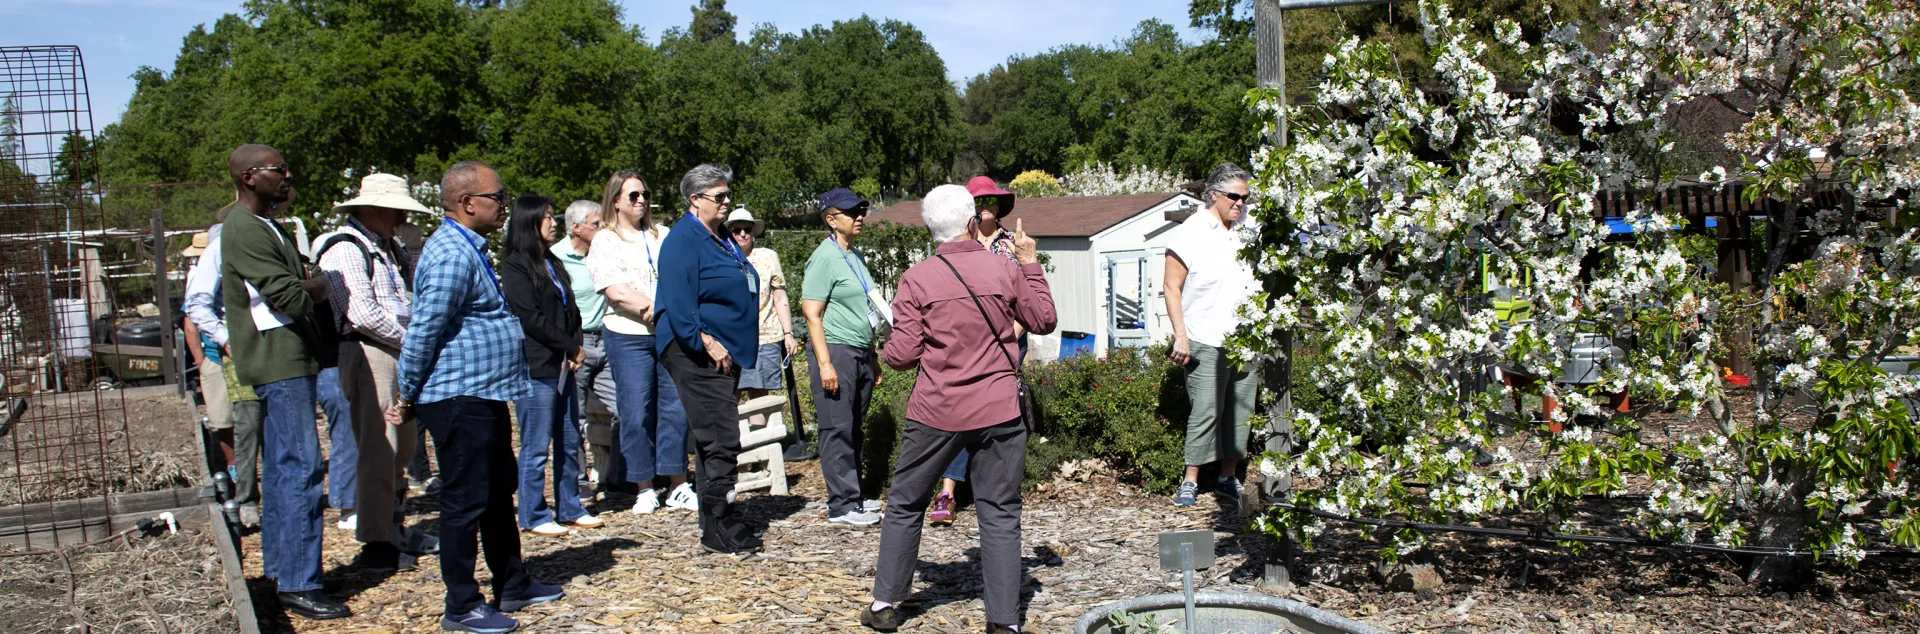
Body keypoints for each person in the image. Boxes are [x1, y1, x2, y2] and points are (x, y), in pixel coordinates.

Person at [862, 184, 1055, 633]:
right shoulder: (1005, 269)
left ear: (930, 230)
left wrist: (888, 349)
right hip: (999, 409)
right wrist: (1029, 262)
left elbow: (904, 355)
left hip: (937, 410)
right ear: (972, 222)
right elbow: (1043, 320)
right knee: (1000, 511)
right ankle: (1004, 623)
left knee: (907, 503)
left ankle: (886, 603)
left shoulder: (916, 279)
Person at [395, 161, 562, 634]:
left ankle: (512, 582)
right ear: (469, 203)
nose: (505, 206)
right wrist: (407, 393)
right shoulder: (450, 253)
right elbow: (424, 330)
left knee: (495, 492)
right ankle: (461, 604)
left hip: (482, 393)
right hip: (456, 397)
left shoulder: (469, 248)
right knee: (465, 501)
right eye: (498, 198)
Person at [217, 144, 349, 620]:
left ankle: (281, 567)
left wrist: (313, 281)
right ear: (250, 178)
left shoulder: (265, 225)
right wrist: (321, 284)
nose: (287, 176)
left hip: (289, 360)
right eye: (278, 170)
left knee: (280, 469)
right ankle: (299, 581)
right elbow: (294, 295)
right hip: (280, 362)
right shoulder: (244, 229)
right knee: (301, 469)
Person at [316, 173, 440, 572]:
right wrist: (412, 341)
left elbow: (402, 297)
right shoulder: (346, 249)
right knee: (378, 446)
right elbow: (362, 313)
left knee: (400, 445)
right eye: (396, 210)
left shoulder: (387, 247)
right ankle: (375, 541)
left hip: (393, 349)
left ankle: (393, 526)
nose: (402, 217)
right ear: (374, 208)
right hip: (371, 351)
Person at [655, 163, 763, 555]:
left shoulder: (717, 236)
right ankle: (720, 523)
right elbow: (679, 300)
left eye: (727, 194)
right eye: (719, 196)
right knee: (721, 438)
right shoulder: (682, 239)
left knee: (709, 438)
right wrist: (704, 340)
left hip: (722, 351)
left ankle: (712, 522)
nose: (726, 201)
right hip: (696, 352)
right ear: (695, 200)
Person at [586, 170, 691, 514]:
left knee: (674, 408)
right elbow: (615, 291)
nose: (642, 200)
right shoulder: (605, 240)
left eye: (645, 193)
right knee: (635, 411)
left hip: (667, 334)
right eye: (633, 195)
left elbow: (684, 274)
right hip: (628, 335)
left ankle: (677, 483)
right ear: (615, 200)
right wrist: (659, 310)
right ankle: (644, 486)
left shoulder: (663, 234)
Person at [500, 195, 600, 537]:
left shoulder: (553, 261)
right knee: (537, 442)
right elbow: (530, 316)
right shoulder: (515, 265)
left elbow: (571, 309)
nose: (553, 222)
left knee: (569, 437)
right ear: (529, 223)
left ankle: (569, 505)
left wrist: (575, 347)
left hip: (564, 365)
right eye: (546, 217)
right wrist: (569, 345)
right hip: (536, 366)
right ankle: (533, 513)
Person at [1164, 162, 1262, 508]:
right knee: (1205, 408)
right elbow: (1171, 286)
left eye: (1245, 198)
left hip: (1247, 338)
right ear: (1214, 195)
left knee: (1241, 410)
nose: (1240, 204)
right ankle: (1191, 479)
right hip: (1204, 333)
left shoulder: (1250, 227)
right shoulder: (1192, 229)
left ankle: (1227, 476)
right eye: (1234, 197)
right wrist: (1181, 335)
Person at [927, 176, 1022, 528]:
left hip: (1007, 340)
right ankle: (948, 490)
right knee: (962, 414)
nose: (985, 207)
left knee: (995, 414)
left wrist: (1007, 336)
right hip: (966, 343)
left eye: (991, 201)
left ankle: (994, 493)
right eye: (978, 201)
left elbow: (1025, 301)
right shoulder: (950, 244)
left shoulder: (1011, 244)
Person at [803, 187, 885, 526]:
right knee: (836, 427)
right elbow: (811, 313)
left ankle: (854, 495)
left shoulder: (855, 255)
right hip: (835, 350)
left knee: (853, 426)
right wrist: (825, 363)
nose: (860, 217)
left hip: (860, 351)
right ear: (831, 219)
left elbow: (866, 305)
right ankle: (842, 505)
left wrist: (873, 356)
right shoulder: (824, 257)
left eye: (861, 211)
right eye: (852, 212)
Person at [184, 214, 266, 528]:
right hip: (223, 359)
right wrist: (206, 359)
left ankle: (250, 488)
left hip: (250, 353)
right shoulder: (204, 271)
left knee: (251, 425)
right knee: (231, 425)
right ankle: (239, 484)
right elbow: (192, 320)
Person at [552, 200, 613, 494]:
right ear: (575, 227)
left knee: (626, 408)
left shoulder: (605, 253)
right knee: (571, 417)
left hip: (609, 338)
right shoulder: (553, 259)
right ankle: (577, 482)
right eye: (596, 224)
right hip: (575, 343)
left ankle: (621, 476)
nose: (602, 229)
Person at [727, 207, 797, 426]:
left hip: (765, 336)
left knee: (759, 396)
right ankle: (735, 452)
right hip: (730, 339)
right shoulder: (720, 256)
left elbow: (779, 295)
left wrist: (788, 333)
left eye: (747, 229)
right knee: (730, 395)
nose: (742, 235)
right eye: (736, 230)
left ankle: (760, 450)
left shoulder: (768, 257)